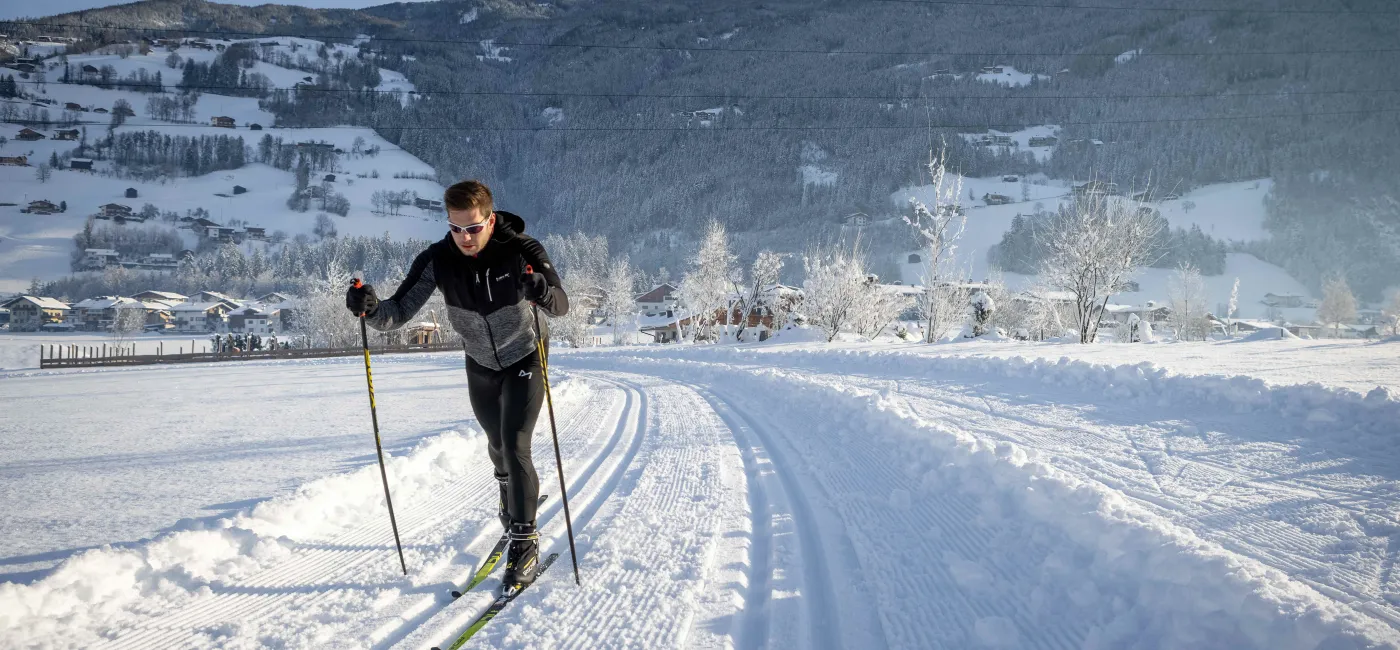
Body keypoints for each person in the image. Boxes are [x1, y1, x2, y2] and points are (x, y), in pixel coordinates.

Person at [345, 180, 569, 587]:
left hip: (525, 354)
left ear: (491, 218)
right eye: (456, 228)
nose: (465, 237)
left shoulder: (522, 250)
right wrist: (370, 308)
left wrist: (540, 292)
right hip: (480, 362)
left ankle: (524, 539)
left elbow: (560, 305)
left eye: (474, 227)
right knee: (497, 445)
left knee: (515, 441)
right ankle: (508, 491)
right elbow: (396, 313)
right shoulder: (438, 259)